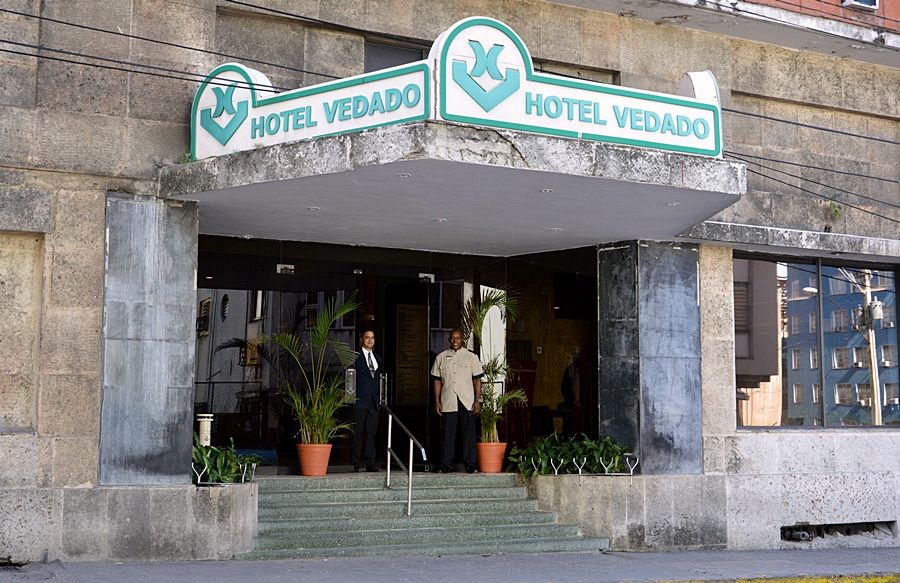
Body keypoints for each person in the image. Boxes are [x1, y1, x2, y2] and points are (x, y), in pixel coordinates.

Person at [431, 328, 483, 473]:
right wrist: (437, 401)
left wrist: (477, 400)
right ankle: (446, 465)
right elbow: (437, 381)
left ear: (462, 340)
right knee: (448, 434)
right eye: (453, 338)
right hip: (448, 400)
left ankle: (470, 464)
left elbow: (477, 379)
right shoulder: (441, 357)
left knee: (468, 434)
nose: (455, 341)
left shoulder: (471, 357)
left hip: (467, 400)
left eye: (458, 338)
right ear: (449, 340)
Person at [351, 329, 381, 472]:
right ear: (362, 339)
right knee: (358, 432)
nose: (370, 340)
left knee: (371, 433)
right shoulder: (355, 357)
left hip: (374, 401)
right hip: (359, 400)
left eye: (372, 338)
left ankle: (370, 462)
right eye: (367, 337)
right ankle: (356, 462)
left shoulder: (378, 358)